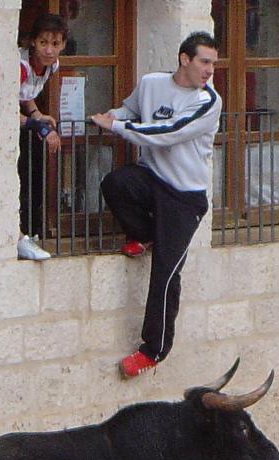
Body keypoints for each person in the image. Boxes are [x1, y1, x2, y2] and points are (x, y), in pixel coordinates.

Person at [90, 31, 222, 378]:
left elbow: (165, 134)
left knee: (165, 273)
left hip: (185, 196)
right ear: (184, 59)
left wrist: (117, 126)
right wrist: (109, 115)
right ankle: (145, 234)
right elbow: (130, 109)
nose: (210, 70)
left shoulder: (208, 102)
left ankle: (153, 350)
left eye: (213, 64)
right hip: (152, 178)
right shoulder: (151, 83)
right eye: (204, 62)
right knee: (115, 183)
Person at [17, 13, 68, 262]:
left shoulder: (51, 66)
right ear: (32, 43)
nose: (49, 50)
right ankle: (22, 234)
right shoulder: (21, 67)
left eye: (56, 44)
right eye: (43, 43)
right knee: (22, 180)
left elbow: (24, 95)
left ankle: (32, 232)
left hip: (25, 124)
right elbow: (4, 105)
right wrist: (38, 125)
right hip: (13, 127)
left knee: (35, 178)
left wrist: (36, 113)